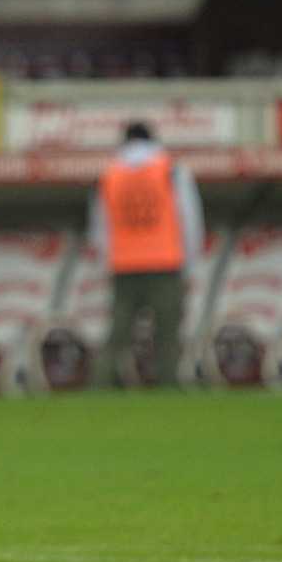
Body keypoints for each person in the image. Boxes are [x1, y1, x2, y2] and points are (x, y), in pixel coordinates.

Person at [87, 120, 204, 388]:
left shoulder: (110, 174)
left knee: (117, 334)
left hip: (124, 264)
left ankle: (100, 385)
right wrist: (190, 261)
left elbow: (99, 226)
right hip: (165, 262)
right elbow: (189, 218)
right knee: (167, 334)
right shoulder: (171, 170)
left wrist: (105, 262)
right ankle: (168, 385)